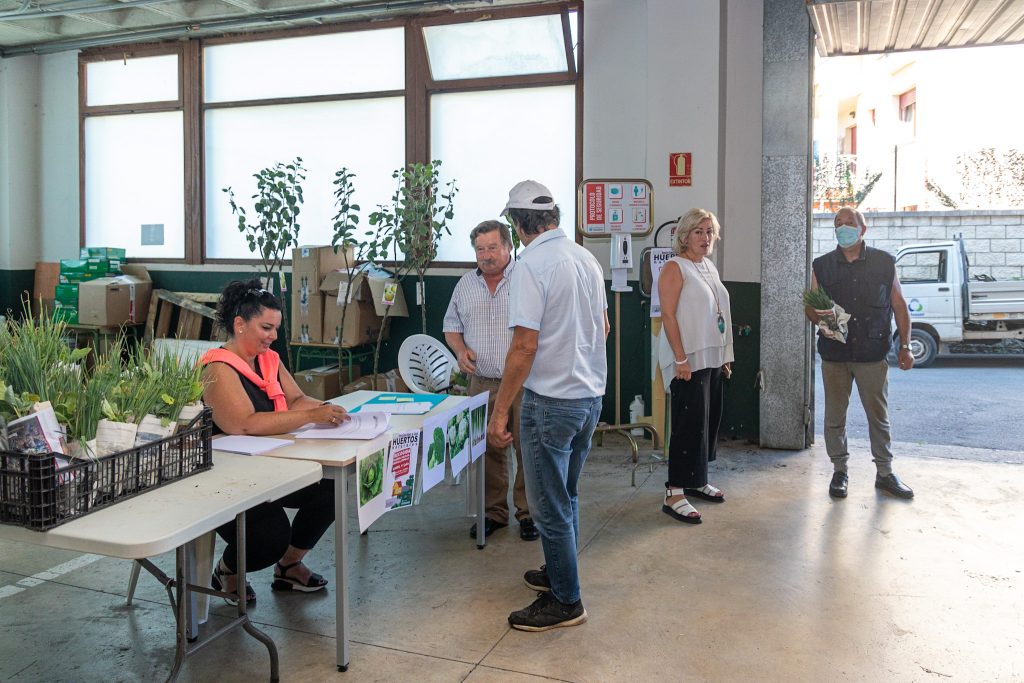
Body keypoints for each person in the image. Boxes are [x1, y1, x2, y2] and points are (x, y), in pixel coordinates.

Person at [488, 180, 609, 632]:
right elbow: (605, 327)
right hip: (588, 398)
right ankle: (560, 570)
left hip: (551, 403)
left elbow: (523, 347)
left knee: (548, 505)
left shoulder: (531, 265)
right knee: (567, 494)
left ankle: (565, 599)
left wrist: (500, 411)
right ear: (553, 217)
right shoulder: (585, 259)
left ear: (517, 224)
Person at [200, 279, 351, 603]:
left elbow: (295, 400)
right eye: (266, 328)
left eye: (276, 329)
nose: (272, 336)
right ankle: (226, 571)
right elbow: (243, 424)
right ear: (239, 324)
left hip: (272, 464)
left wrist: (329, 410)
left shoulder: (268, 358)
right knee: (271, 535)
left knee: (331, 487)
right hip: (230, 478)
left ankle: (290, 565)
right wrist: (311, 417)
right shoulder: (219, 367)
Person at [806, 207, 915, 500]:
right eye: (838, 224)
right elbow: (811, 306)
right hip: (834, 354)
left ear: (862, 229)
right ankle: (839, 471)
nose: (843, 228)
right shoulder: (823, 265)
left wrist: (906, 346)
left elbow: (900, 305)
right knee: (834, 417)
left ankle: (885, 473)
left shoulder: (883, 262)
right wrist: (829, 322)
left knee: (878, 417)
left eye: (849, 223)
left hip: (872, 353)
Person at [443, 220, 538, 542]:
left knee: (528, 448)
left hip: (525, 382)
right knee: (485, 450)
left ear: (509, 247)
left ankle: (529, 513)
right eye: (480, 249)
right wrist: (459, 349)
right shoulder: (465, 285)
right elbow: (451, 325)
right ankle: (493, 513)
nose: (486, 255)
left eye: (492, 247)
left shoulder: (527, 279)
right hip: (481, 382)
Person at [656, 208, 734, 524]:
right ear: (684, 236)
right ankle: (674, 492)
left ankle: (697, 479)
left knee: (707, 422)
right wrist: (680, 358)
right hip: (687, 360)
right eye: (698, 232)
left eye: (709, 232)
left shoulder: (708, 267)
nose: (705, 238)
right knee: (688, 425)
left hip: (710, 357)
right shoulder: (675, 267)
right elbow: (669, 316)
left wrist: (725, 355)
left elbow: (719, 313)